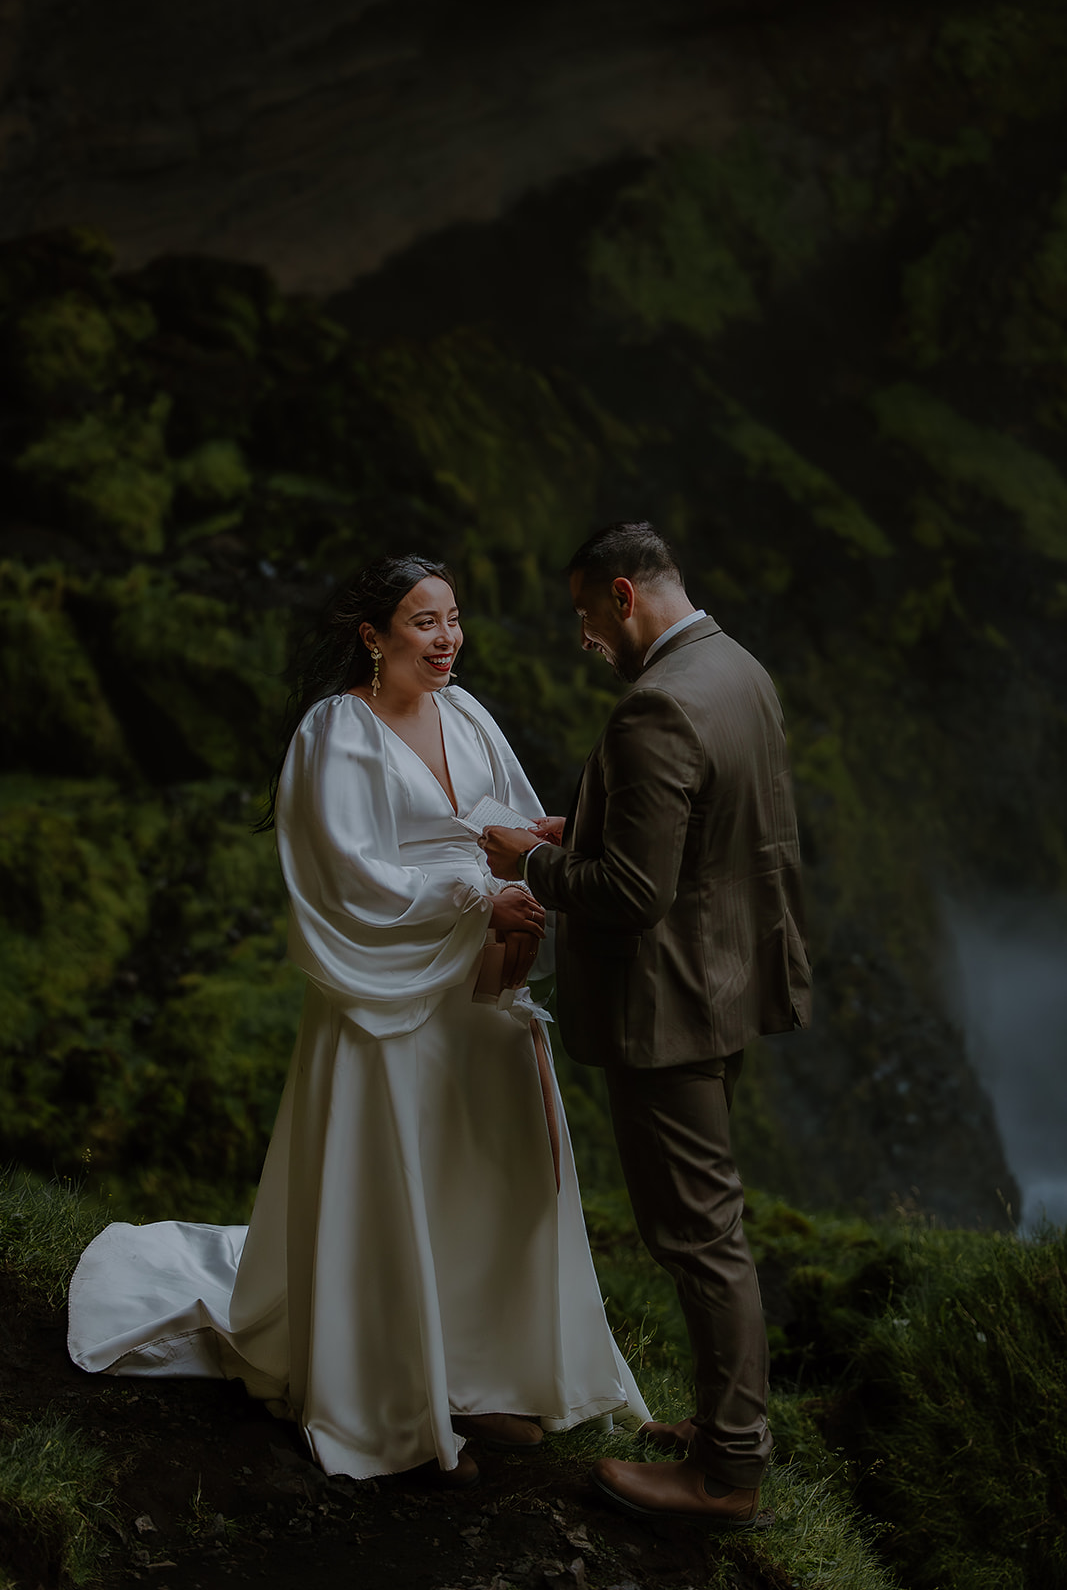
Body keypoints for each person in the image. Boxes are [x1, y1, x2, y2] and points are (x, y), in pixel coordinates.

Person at [67, 554, 649, 1487]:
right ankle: (389, 1390)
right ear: (373, 637)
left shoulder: (466, 713)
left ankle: (486, 1374)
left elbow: (493, 814)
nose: (448, 638)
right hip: (390, 990)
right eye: (425, 621)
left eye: (454, 618)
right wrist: (475, 893)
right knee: (402, 1176)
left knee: (485, 1174)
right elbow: (349, 875)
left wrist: (532, 843)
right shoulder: (334, 735)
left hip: (474, 988)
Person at [481, 521, 812, 1526]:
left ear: (622, 595)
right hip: (727, 980)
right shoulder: (735, 666)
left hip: (667, 1008)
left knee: (701, 1238)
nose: (584, 638)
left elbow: (630, 889)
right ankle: (722, 1431)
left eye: (585, 615)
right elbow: (709, 826)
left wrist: (527, 862)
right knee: (712, 1225)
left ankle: (726, 1474)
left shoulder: (653, 707)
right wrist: (580, 824)